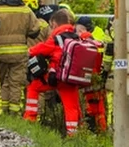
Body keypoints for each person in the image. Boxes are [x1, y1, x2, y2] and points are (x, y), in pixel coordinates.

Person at [24, 8, 84, 136]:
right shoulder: (77, 37)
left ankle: (30, 120)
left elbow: (43, 49)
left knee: (33, 87)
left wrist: (29, 51)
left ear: (54, 24)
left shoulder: (57, 38)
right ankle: (73, 135)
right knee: (71, 107)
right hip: (71, 78)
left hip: (55, 77)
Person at [0, 0, 41, 116]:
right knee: (15, 85)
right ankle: (14, 114)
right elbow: (35, 31)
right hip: (19, 54)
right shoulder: (26, 11)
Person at [75, 16, 109, 132]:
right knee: (100, 108)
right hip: (98, 81)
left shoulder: (82, 47)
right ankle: (102, 130)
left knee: (89, 107)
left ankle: (91, 130)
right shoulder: (98, 43)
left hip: (86, 82)